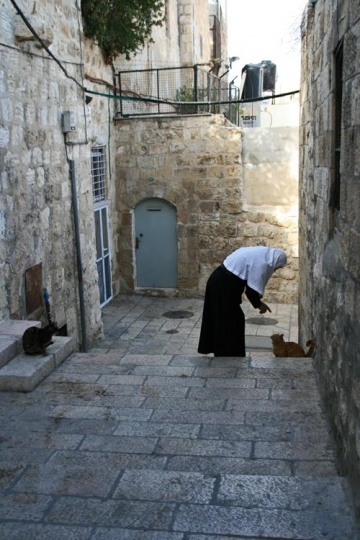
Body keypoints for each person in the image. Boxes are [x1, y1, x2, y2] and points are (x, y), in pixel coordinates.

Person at [198, 245, 287, 357]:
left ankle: (223, 352)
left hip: (219, 282)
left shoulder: (261, 254)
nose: (275, 270)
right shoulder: (262, 262)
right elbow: (250, 291)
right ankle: (230, 355)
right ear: (276, 261)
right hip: (221, 287)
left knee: (223, 320)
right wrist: (260, 305)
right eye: (277, 267)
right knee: (233, 320)